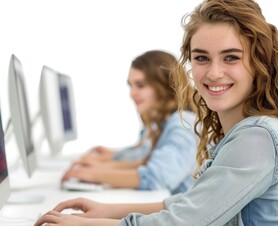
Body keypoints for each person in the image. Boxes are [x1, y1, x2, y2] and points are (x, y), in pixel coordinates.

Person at [34, 0, 278, 226]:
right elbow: (192, 205)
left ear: (260, 62)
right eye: (201, 58)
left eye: (231, 57)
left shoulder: (258, 137)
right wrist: (106, 211)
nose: (213, 72)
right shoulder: (250, 131)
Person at [61, 50, 197, 195]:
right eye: (130, 85)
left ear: (164, 85)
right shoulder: (162, 123)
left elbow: (155, 177)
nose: (132, 93)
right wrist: (112, 156)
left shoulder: (184, 125)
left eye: (140, 85)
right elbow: (143, 158)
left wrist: (95, 174)